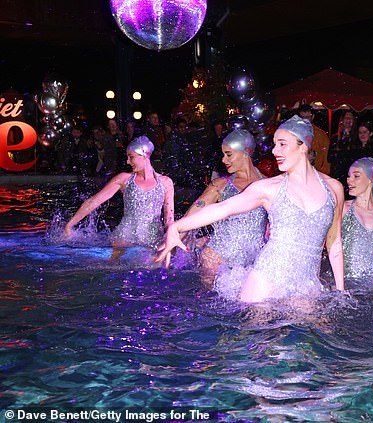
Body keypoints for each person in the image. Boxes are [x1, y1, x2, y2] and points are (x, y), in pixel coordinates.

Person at [156, 115, 345, 303]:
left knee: (312, 333)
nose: (274, 150)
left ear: (303, 146)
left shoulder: (334, 188)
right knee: (253, 332)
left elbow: (334, 243)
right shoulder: (268, 188)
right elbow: (223, 208)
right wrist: (177, 227)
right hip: (265, 280)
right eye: (274, 144)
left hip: (306, 284)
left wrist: (340, 291)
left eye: (282, 144)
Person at [64, 136, 175, 251]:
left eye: (131, 157)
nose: (127, 161)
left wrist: (171, 237)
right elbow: (94, 201)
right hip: (124, 237)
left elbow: (169, 218)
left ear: (144, 156)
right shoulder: (124, 179)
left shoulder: (166, 182)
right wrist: (69, 225)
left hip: (153, 239)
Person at [184, 129, 268, 273]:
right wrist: (173, 239)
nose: (223, 160)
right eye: (223, 155)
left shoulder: (268, 185)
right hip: (216, 261)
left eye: (229, 154)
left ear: (245, 153)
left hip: (253, 263)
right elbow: (190, 217)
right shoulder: (220, 185)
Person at [298, 104, 331, 175]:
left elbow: (326, 159)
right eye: (302, 117)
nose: (305, 120)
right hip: (298, 174)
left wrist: (324, 176)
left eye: (307, 117)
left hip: (315, 174)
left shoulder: (321, 135)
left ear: (312, 117)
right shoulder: (294, 134)